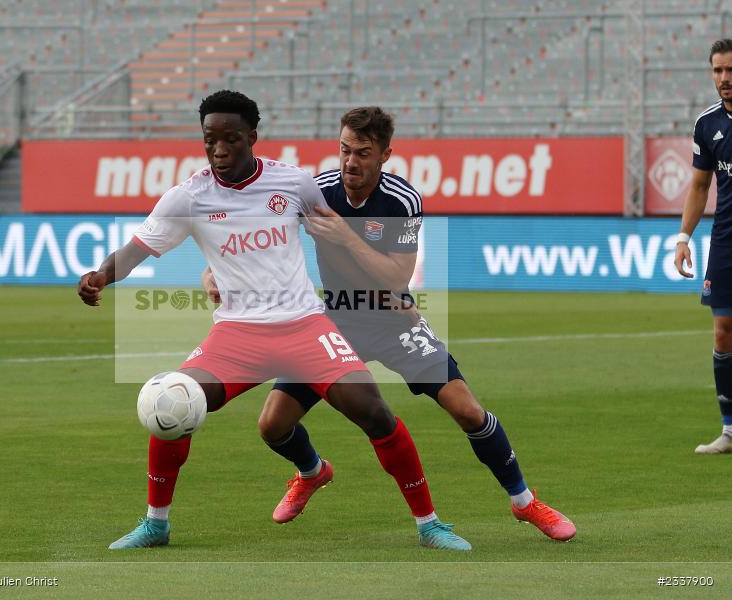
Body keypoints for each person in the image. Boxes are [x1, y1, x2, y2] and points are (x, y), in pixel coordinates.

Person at [77, 90, 471, 551]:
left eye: (231, 139)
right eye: (210, 140)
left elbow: (340, 235)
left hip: (305, 325)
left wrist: (390, 290)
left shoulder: (294, 184)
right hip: (236, 334)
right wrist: (103, 274)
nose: (220, 150)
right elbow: (135, 250)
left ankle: (429, 523)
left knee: (374, 411)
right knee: (173, 403)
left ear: (252, 137)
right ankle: (155, 524)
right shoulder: (188, 197)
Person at [205, 106, 576, 541]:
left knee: (468, 411)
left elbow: (397, 279)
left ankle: (525, 503)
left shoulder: (402, 200)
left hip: (395, 321)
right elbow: (252, 237)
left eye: (363, 153)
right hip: (333, 323)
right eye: (344, 150)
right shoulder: (317, 190)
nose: (350, 162)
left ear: (384, 155)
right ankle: (311, 472)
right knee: (272, 425)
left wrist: (345, 235)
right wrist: (216, 271)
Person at [674, 38, 732, 454]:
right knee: (723, 331)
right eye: (718, 71)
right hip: (726, 241)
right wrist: (683, 238)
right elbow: (699, 185)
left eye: (730, 70)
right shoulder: (707, 124)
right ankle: (730, 431)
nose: (725, 79)